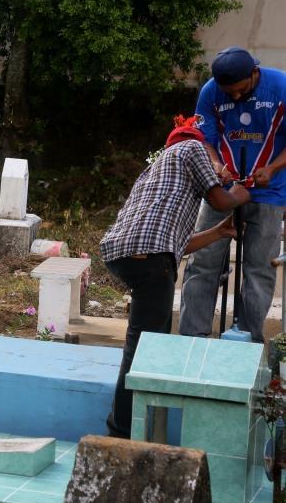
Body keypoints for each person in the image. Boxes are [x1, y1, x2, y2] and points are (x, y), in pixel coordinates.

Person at [100, 120, 251, 439]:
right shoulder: (192, 146)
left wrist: (219, 232)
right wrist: (240, 190)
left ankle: (126, 427)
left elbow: (173, 245)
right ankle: (122, 433)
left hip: (125, 254)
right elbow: (221, 200)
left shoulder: (156, 172)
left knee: (140, 343)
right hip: (152, 259)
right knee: (144, 349)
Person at [179, 47, 286, 344]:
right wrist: (214, 164)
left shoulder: (281, 86)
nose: (235, 97)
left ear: (255, 72)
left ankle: (246, 340)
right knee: (203, 262)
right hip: (222, 191)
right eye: (230, 93)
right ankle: (192, 338)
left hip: (269, 191)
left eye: (241, 90)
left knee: (259, 269)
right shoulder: (211, 92)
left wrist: (274, 168)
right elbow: (205, 138)